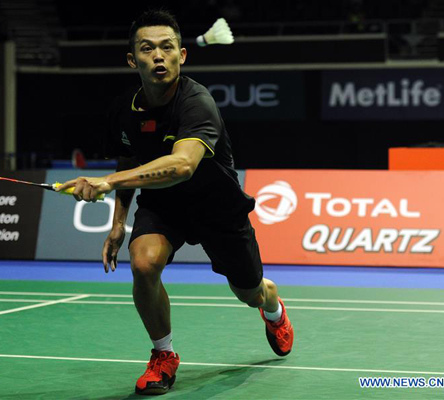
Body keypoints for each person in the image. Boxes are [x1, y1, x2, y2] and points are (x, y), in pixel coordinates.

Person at [57, 9, 294, 396]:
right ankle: (163, 354)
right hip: (164, 206)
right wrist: (118, 222)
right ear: (133, 60)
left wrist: (105, 182)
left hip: (218, 208)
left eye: (167, 47)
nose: (158, 56)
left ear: (181, 55)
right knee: (144, 262)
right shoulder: (123, 110)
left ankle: (273, 308)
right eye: (147, 49)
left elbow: (183, 165)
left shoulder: (197, 102)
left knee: (249, 292)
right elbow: (128, 158)